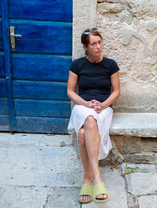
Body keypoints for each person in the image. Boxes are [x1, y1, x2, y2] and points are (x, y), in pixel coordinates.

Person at [67, 28, 120, 204]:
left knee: (82, 134)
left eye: (99, 42)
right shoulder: (77, 65)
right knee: (89, 119)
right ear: (85, 47)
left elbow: (116, 91)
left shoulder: (111, 65)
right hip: (83, 107)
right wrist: (85, 103)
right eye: (93, 44)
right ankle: (97, 178)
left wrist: (103, 105)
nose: (98, 47)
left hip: (103, 109)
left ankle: (86, 178)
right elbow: (70, 92)